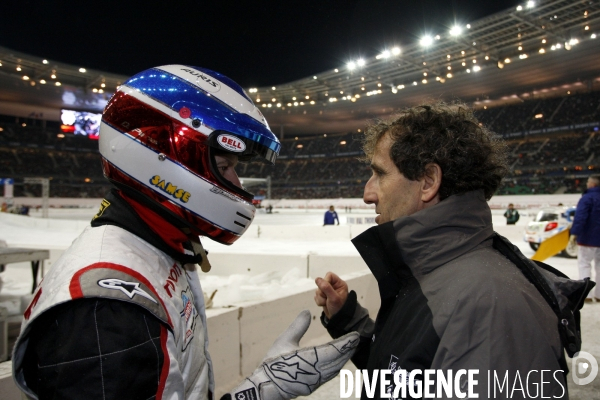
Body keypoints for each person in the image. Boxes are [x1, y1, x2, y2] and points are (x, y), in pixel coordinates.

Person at [12, 65, 358, 400]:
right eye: (224, 166)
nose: (237, 183)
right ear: (164, 157)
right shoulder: (108, 312)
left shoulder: (158, 251)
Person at [314, 101, 591, 398]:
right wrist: (348, 318)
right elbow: (404, 378)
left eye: (380, 174)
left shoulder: (489, 308)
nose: (367, 194)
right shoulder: (435, 276)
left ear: (429, 181)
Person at [570, 175, 600, 301]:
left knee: (584, 265)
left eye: (588, 181)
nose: (587, 183)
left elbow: (580, 217)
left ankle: (586, 295)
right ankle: (599, 295)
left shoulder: (587, 198)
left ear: (592, 184)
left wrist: (574, 233)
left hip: (587, 239)